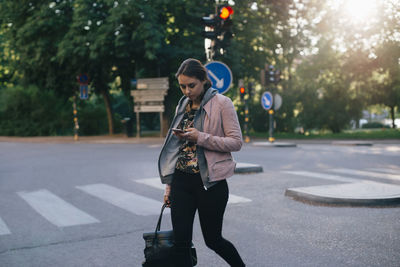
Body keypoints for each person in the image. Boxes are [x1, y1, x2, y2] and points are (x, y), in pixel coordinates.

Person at [158, 58, 245, 267]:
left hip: (210, 184)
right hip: (181, 182)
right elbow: (175, 149)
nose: (187, 91)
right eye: (182, 86)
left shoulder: (223, 104)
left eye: (191, 85)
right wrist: (169, 186)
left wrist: (201, 137)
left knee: (213, 240)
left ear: (204, 80)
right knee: (181, 244)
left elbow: (236, 142)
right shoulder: (183, 104)